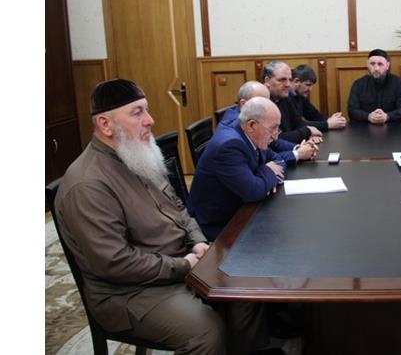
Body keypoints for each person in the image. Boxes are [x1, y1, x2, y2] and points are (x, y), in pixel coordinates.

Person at [53, 79, 265, 355]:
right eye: (137, 112)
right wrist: (183, 265)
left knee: (247, 283)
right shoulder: (88, 184)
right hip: (129, 293)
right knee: (204, 331)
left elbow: (178, 206)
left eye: (147, 110)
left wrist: (198, 241)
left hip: (177, 264)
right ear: (105, 124)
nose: (150, 120)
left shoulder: (134, 154)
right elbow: (114, 263)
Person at [188, 96, 287, 241]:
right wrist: (268, 172)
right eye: (273, 129)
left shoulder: (250, 135)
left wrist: (262, 178)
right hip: (220, 224)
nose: (275, 136)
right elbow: (253, 192)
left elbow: (279, 160)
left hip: (239, 208)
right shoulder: (230, 146)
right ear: (251, 125)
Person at [221, 80, 318, 165]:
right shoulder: (239, 125)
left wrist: (297, 148)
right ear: (243, 104)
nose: (267, 106)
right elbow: (262, 161)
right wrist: (297, 154)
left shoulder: (251, 117)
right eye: (261, 103)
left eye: (268, 102)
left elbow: (273, 143)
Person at [264, 60, 323, 144]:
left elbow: (298, 123)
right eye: (282, 80)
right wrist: (308, 132)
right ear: (267, 81)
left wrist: (310, 134)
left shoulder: (285, 97)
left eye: (289, 79)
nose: (288, 84)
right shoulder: (262, 102)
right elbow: (275, 139)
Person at [347, 49, 401, 123]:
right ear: (367, 65)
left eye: (380, 64)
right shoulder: (358, 84)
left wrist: (387, 116)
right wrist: (368, 117)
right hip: (364, 126)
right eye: (372, 64)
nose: (376, 68)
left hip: (392, 126)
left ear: (387, 65)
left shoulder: (398, 83)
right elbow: (352, 111)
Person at [290, 64, 346, 131]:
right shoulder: (286, 98)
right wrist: (328, 124)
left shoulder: (300, 96)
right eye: (308, 85)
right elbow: (298, 124)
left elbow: (314, 115)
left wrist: (333, 120)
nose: (310, 89)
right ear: (296, 81)